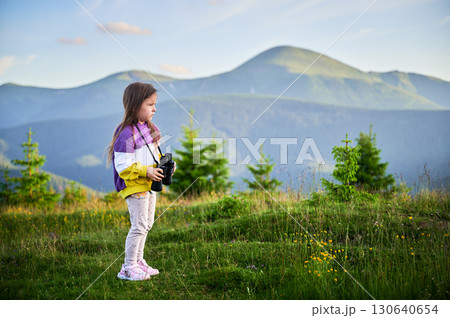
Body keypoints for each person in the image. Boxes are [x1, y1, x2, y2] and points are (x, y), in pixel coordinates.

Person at [106, 82, 175, 281]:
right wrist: (147, 171)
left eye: (155, 104)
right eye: (150, 104)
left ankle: (138, 261)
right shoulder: (126, 133)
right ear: (135, 106)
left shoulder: (150, 128)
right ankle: (128, 267)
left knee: (147, 224)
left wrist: (168, 165)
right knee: (138, 226)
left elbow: (155, 154)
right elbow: (123, 166)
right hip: (135, 184)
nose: (155, 108)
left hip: (149, 183)